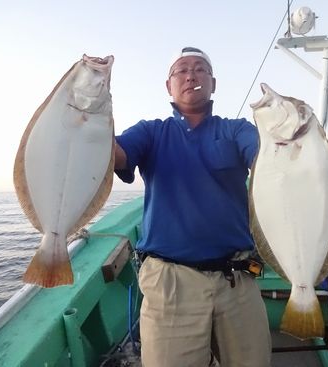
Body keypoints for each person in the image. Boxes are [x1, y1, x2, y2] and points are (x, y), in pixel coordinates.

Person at [114, 47, 271, 367]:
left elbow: (268, 158)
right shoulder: (150, 131)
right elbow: (114, 156)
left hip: (237, 279)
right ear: (168, 86)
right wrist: (89, 118)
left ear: (213, 83)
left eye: (200, 69)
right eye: (181, 70)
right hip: (170, 283)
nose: (190, 75)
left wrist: (309, 146)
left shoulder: (236, 129)